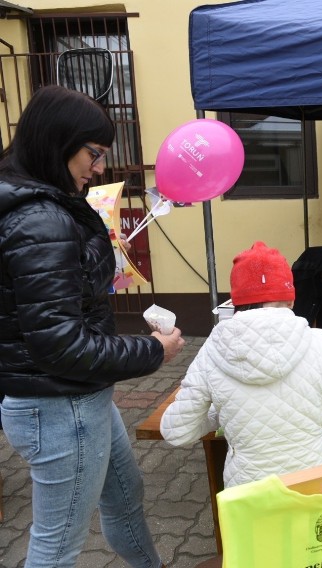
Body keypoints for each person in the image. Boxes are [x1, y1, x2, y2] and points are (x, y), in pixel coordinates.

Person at [0, 85, 185, 568]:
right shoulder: (40, 218)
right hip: (61, 406)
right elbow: (62, 346)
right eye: (93, 154)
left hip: (76, 399)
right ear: (56, 144)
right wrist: (153, 351)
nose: (99, 168)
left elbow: (55, 301)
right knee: (57, 546)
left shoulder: (44, 205)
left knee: (126, 495)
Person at [160, 241, 322, 488]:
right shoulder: (320, 342)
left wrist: (221, 415)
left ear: (236, 303)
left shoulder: (212, 350)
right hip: (315, 486)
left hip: (249, 498)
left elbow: (177, 431)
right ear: (290, 299)